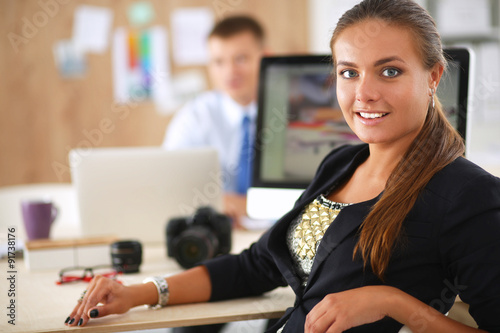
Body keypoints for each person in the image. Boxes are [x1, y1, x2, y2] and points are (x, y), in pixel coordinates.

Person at [65, 0, 500, 331]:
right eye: (348, 73)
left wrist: (393, 303)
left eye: (388, 72)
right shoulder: (341, 165)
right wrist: (141, 292)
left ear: (434, 77)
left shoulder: (466, 196)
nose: (364, 93)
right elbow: (258, 265)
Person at [162, 15, 265, 228]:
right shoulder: (193, 117)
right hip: (216, 234)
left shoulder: (292, 113)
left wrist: (249, 206)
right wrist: (217, 203)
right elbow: (168, 187)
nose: (230, 72)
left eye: (241, 59)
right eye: (219, 62)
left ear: (266, 57)